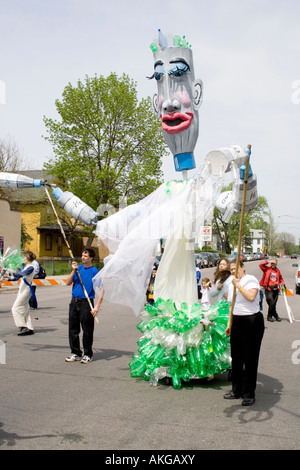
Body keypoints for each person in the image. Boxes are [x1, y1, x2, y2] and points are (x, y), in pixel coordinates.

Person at [224, 260, 265, 406]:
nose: (234, 272)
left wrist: (238, 286)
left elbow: (251, 296)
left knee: (250, 359)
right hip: (237, 321)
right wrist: (229, 324)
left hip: (252, 321)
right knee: (236, 358)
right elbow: (231, 305)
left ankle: (249, 393)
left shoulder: (250, 280)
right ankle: (237, 390)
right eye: (232, 270)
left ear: (243, 268)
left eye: (236, 269)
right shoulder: (231, 283)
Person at [65, 248, 104, 364]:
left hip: (86, 303)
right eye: (82, 255)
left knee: (87, 330)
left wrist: (97, 306)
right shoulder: (78, 269)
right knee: (73, 329)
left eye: (86, 256)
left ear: (91, 258)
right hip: (74, 302)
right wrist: (73, 270)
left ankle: (88, 354)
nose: (83, 257)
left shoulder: (94, 271)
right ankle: (75, 353)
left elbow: (102, 289)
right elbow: (67, 282)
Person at [11, 250, 37, 336]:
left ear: (28, 257)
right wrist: (7, 278)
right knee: (26, 309)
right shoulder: (26, 267)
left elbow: (20, 275)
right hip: (22, 289)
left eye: (23, 257)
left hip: (26, 290)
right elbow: (16, 277)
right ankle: (29, 327)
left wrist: (10, 271)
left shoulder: (31, 267)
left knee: (15, 307)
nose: (22, 258)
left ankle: (22, 326)